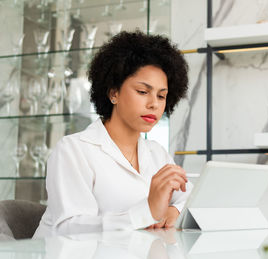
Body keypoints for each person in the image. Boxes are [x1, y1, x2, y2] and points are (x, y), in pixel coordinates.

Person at [33, 31, 192, 238]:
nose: (154, 104)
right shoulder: (73, 150)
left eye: (161, 96)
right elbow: (70, 229)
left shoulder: (157, 154)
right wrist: (147, 212)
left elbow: (186, 196)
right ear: (113, 93)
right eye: (143, 92)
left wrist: (174, 210)